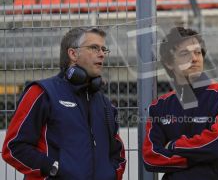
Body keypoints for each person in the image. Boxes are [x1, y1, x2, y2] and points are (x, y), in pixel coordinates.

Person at [2, 27, 126, 180]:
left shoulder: (105, 104)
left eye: (103, 49)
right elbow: (13, 147)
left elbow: (117, 152)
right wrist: (53, 169)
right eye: (94, 48)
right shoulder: (41, 92)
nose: (101, 54)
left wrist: (113, 174)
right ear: (73, 54)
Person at [142, 27, 218, 180]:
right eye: (185, 54)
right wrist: (198, 157)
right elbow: (150, 158)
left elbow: (217, 146)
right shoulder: (159, 107)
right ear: (169, 63)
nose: (194, 58)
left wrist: (173, 146)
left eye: (197, 52)